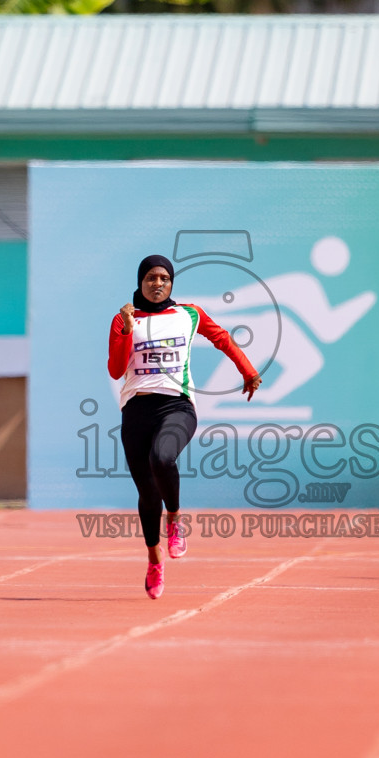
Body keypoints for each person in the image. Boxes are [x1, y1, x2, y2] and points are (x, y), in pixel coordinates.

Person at [108, 255, 261, 599]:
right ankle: (153, 559)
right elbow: (116, 370)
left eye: (164, 277)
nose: (157, 283)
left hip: (176, 406)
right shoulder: (124, 319)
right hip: (136, 409)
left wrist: (248, 371)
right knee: (147, 495)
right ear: (140, 281)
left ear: (171, 283)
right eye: (150, 278)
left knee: (162, 459)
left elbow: (221, 338)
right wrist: (127, 330)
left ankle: (174, 520)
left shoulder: (189, 314)